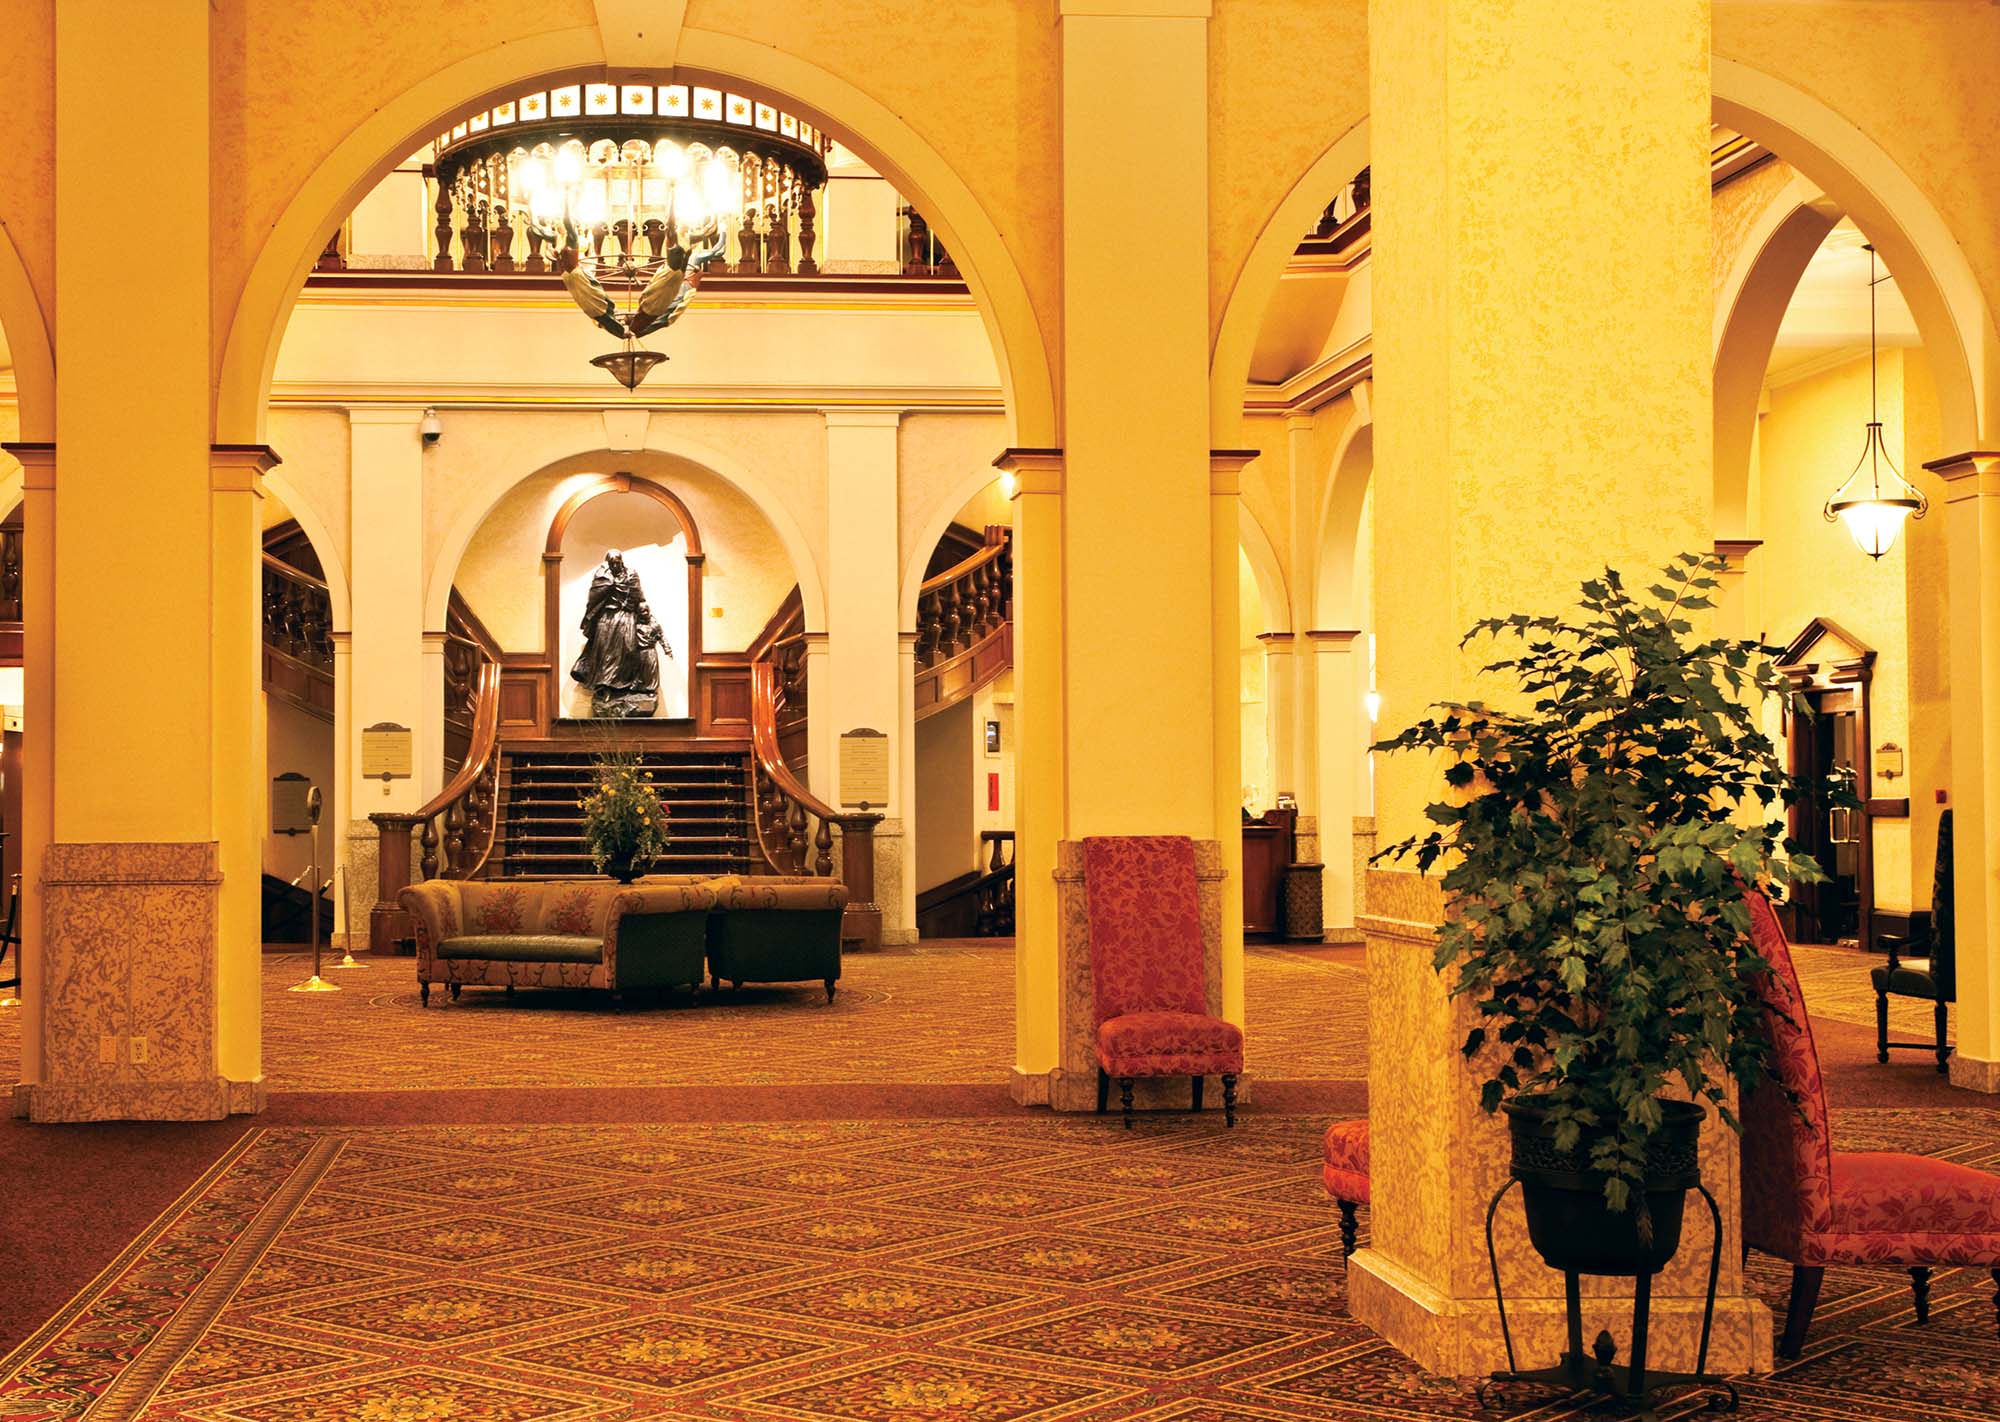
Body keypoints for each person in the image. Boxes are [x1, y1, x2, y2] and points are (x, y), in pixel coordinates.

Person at [569, 549, 669, 717]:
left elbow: (639, 598)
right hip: (607, 618)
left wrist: (648, 619)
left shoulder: (631, 575)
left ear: (622, 561)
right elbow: (594, 599)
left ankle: (625, 688)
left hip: (627, 617)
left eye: (618, 562)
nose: (615, 565)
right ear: (608, 563)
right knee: (605, 653)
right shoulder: (602, 576)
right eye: (612, 563)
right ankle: (605, 688)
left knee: (629, 651)